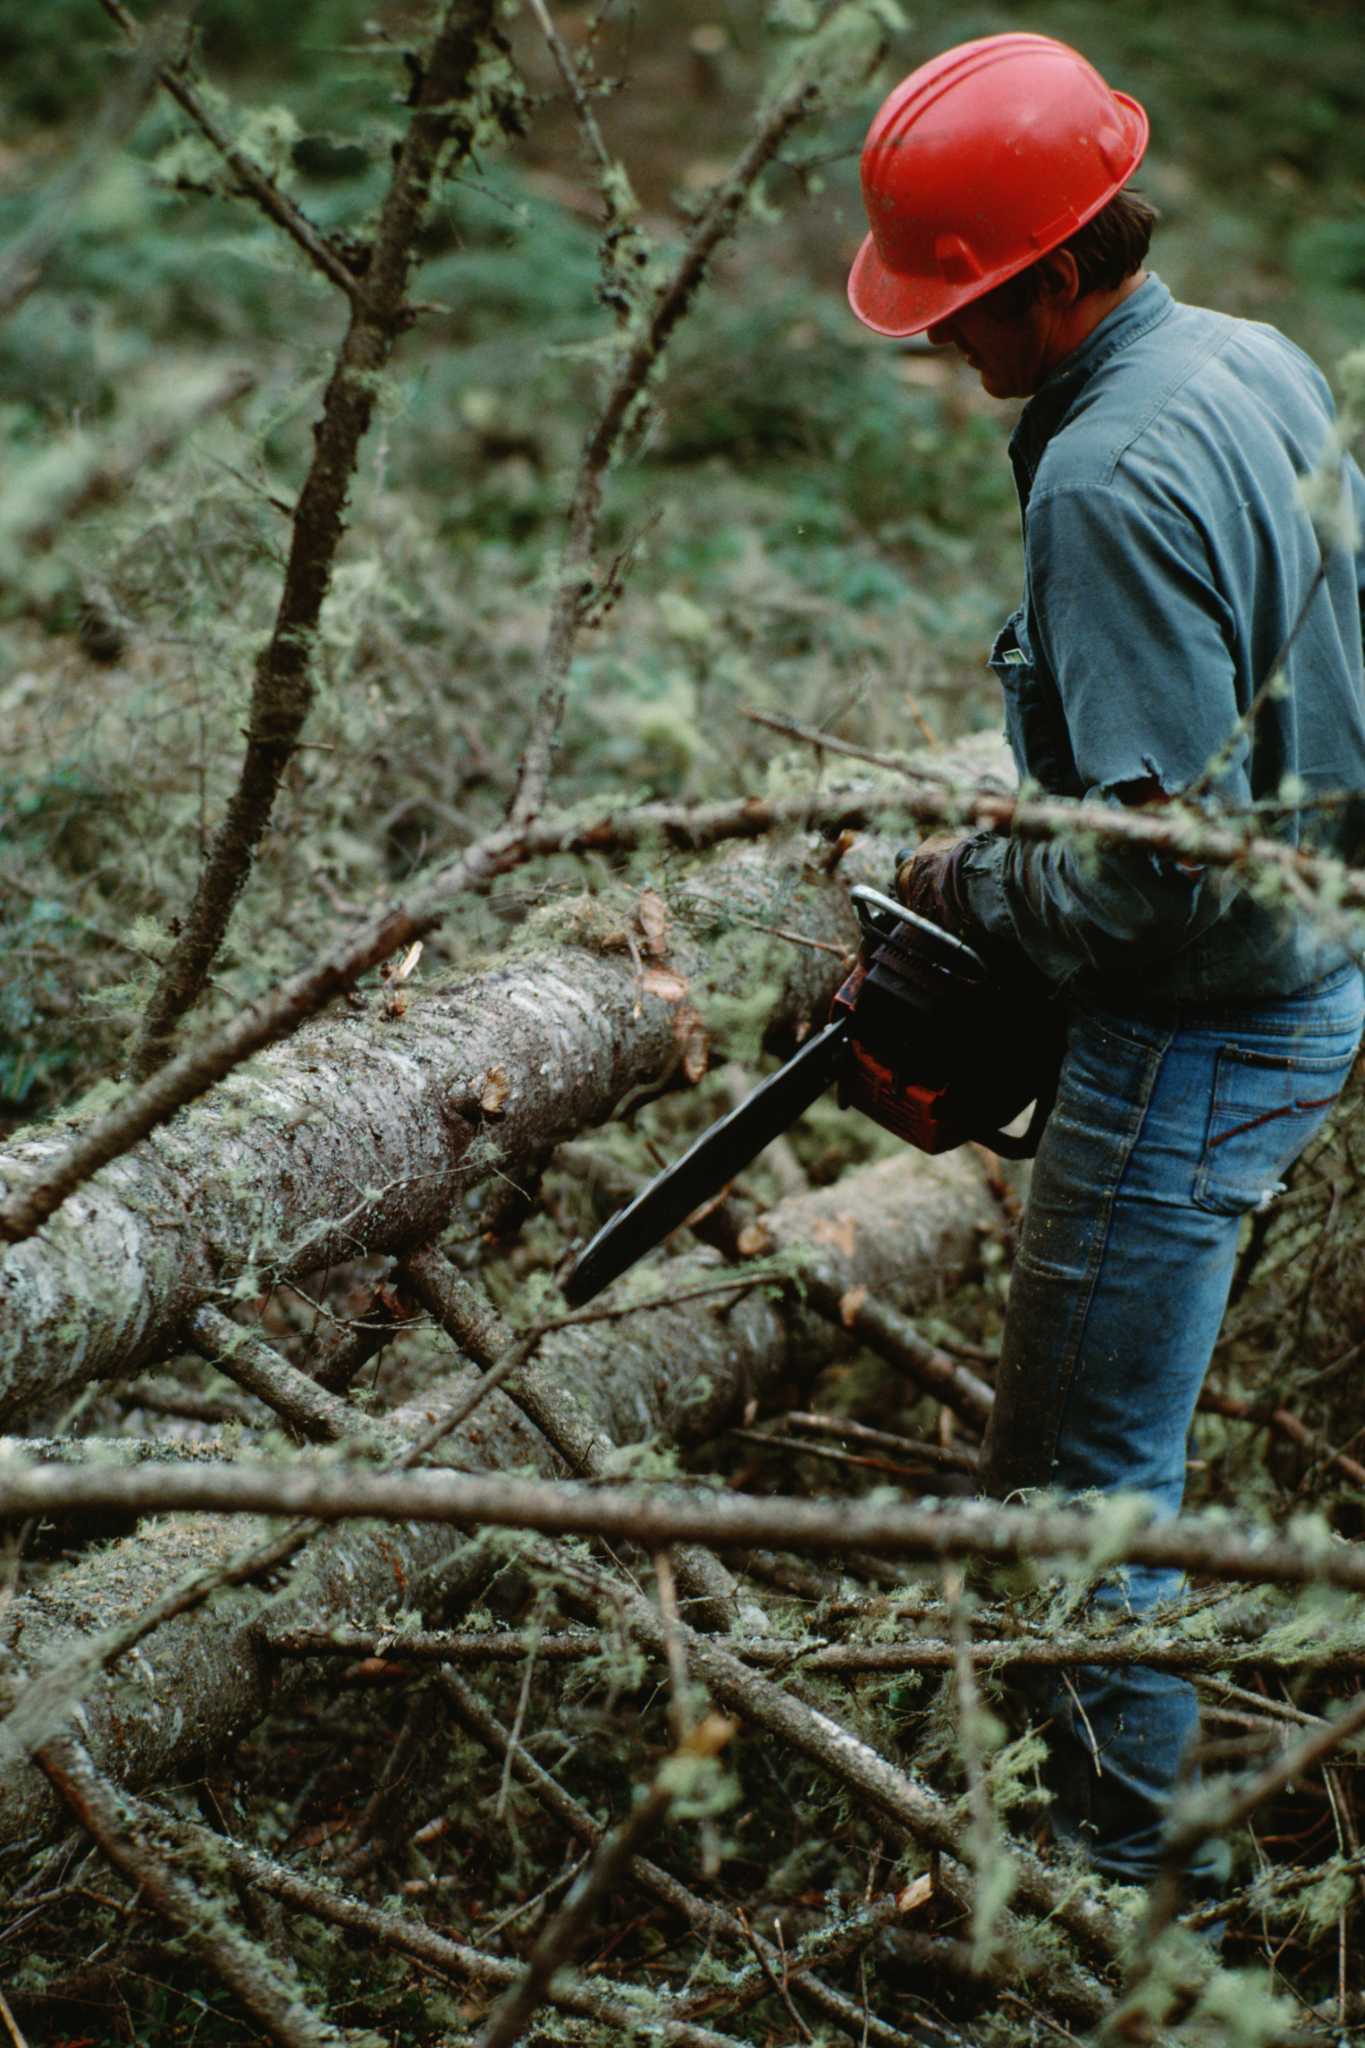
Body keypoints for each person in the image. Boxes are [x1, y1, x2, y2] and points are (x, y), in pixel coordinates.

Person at [845, 32, 1365, 1893]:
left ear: (1058, 267)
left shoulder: (1102, 481)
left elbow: (1148, 881)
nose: (940, 340)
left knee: (1074, 1493)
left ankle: (1122, 1895)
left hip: (1198, 1024)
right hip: (1309, 971)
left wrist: (994, 908)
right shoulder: (1253, 356)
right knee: (1102, 1463)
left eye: (966, 302)